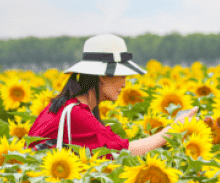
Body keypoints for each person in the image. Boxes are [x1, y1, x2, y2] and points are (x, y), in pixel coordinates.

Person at [28, 34, 197, 156]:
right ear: (103, 75)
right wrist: (174, 129)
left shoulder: (68, 106)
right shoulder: (76, 114)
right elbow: (123, 152)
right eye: (122, 76)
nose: (124, 84)